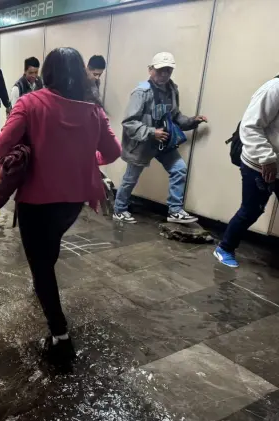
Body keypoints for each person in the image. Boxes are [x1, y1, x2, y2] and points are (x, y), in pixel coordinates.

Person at [0, 47, 121, 370]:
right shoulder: (93, 110)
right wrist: (89, 160)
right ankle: (43, 289)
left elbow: (3, 142)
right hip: (73, 199)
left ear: (47, 73)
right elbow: (113, 152)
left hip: (36, 197)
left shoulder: (30, 103)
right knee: (50, 246)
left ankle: (60, 336)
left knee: (40, 262)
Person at [113, 52, 208, 224]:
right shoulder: (141, 91)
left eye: (168, 70)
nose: (164, 74)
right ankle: (119, 209)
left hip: (164, 141)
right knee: (131, 177)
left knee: (179, 169)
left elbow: (175, 116)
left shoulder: (172, 89)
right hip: (142, 142)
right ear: (150, 70)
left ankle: (175, 210)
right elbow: (129, 122)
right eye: (160, 70)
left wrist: (192, 121)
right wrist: (151, 132)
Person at [214, 76, 279, 268]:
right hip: (259, 164)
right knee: (251, 210)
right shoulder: (274, 89)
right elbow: (250, 126)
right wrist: (267, 158)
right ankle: (224, 248)